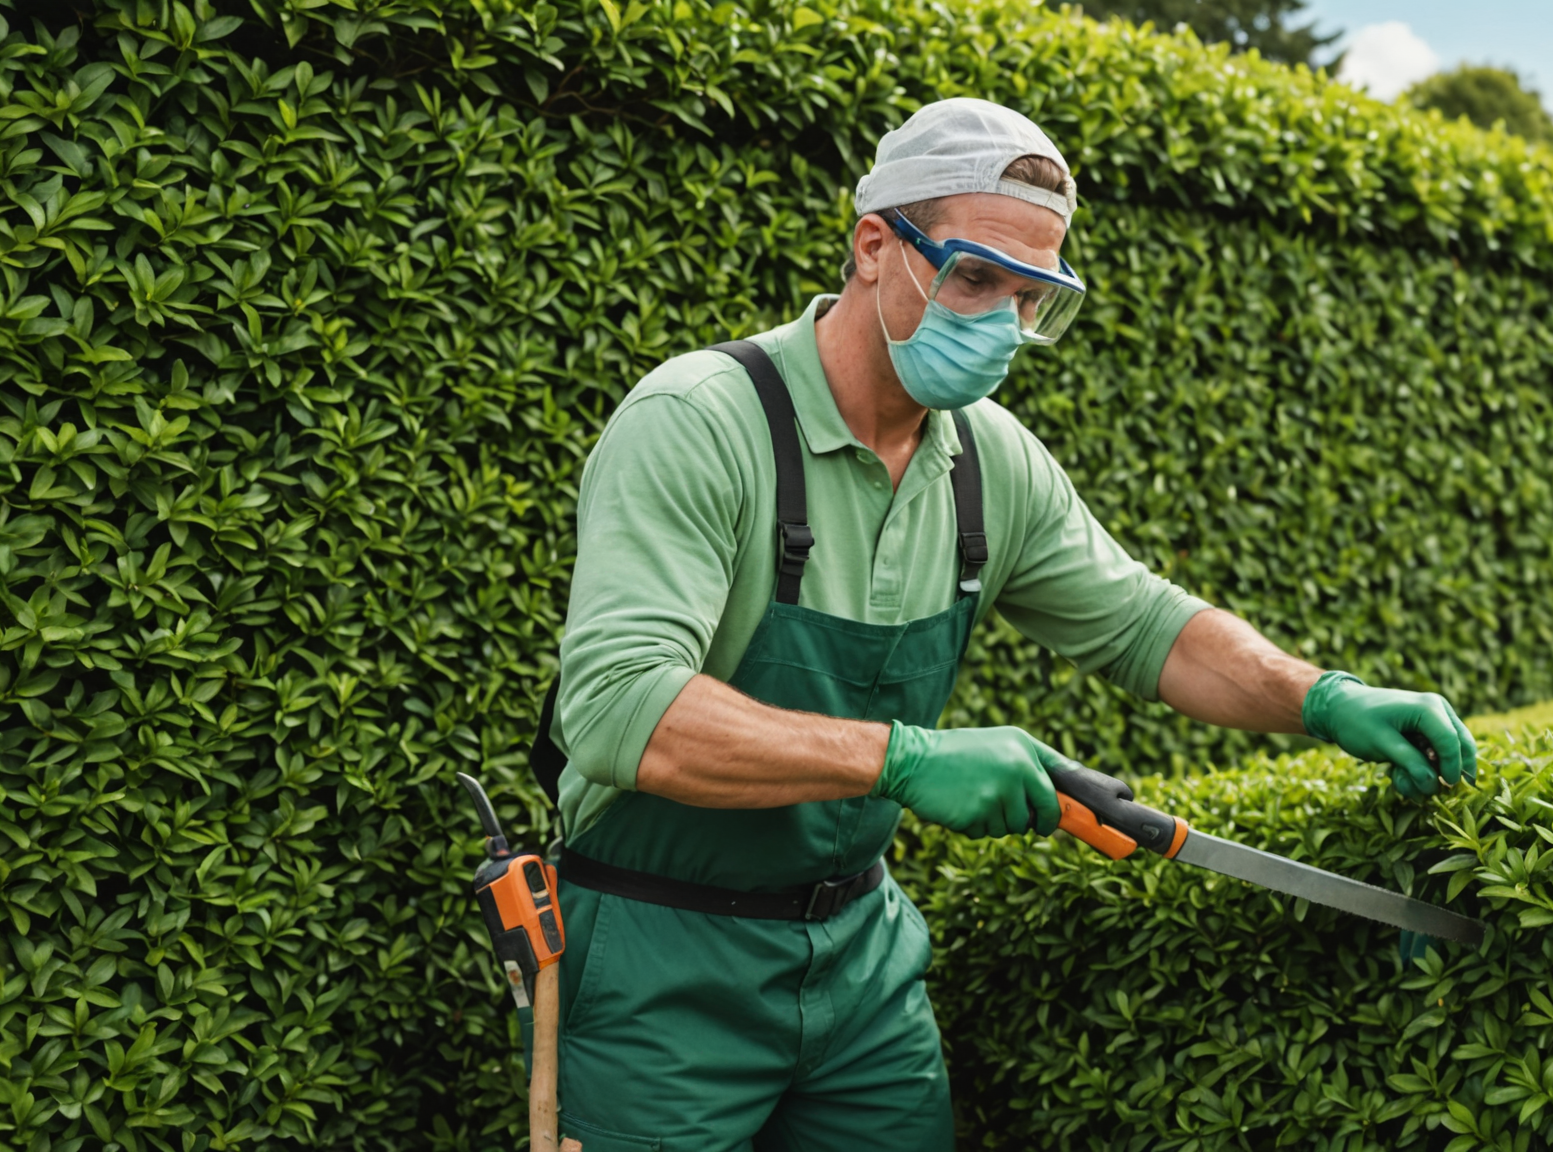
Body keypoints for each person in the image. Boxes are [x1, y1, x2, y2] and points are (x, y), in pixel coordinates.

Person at [546, 97, 1478, 1150]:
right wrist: (901, 758)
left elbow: (1146, 625)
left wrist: (1322, 696)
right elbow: (623, 712)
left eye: (1031, 297)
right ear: (872, 248)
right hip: (655, 959)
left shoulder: (987, 458)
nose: (998, 321)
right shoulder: (701, 422)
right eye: (973, 276)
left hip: (859, 964)